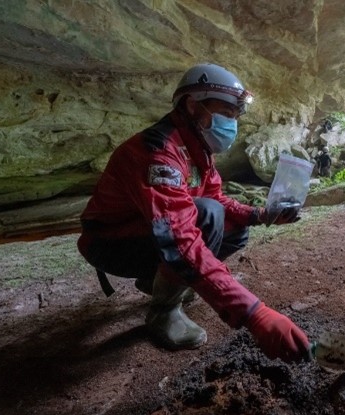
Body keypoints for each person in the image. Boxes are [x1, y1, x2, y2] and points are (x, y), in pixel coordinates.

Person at [77, 63, 310, 363]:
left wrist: (261, 215)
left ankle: (161, 281)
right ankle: (164, 312)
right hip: (110, 243)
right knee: (208, 216)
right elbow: (179, 239)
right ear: (192, 105)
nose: (232, 123)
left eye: (236, 116)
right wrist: (254, 313)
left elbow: (217, 198)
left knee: (233, 226)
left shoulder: (198, 149)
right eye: (226, 113)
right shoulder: (158, 152)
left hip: (145, 233)